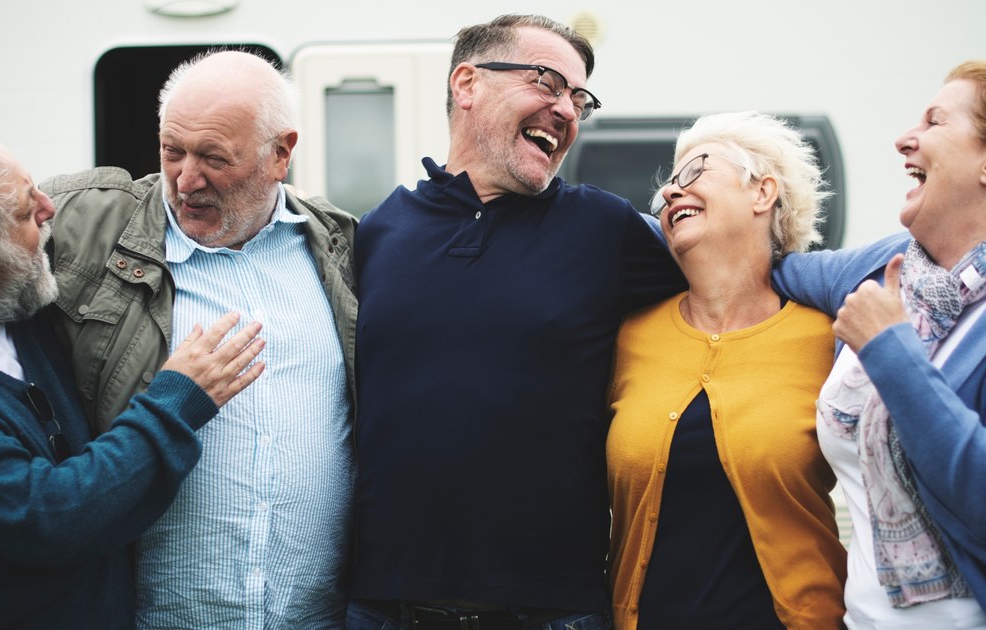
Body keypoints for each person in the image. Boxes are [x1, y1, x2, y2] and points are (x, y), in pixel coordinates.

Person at [347, 14, 686, 629]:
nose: (568, 112)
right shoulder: (378, 232)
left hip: (550, 610)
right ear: (467, 83)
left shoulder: (605, 230)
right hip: (385, 606)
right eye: (548, 83)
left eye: (580, 100)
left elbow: (742, 277)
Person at [41, 50, 359, 627]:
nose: (186, 180)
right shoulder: (83, 229)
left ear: (281, 153)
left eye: (214, 157)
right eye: (172, 151)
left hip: (314, 618)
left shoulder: (340, 248)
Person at [0, 118, 266, 628]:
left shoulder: (23, 321)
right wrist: (177, 400)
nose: (49, 207)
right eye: (24, 209)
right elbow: (55, 517)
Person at [606, 111, 846, 629]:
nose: (672, 193)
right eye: (668, 185)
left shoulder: (831, 337)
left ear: (763, 193)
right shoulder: (628, 335)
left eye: (694, 173)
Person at [774, 60, 986, 627]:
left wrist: (892, 351)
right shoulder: (886, 265)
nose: (904, 139)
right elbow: (753, 262)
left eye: (936, 122)